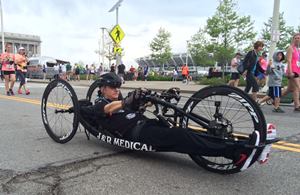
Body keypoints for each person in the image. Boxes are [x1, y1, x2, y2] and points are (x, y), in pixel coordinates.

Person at [79, 72, 261, 171]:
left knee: (191, 133)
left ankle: (244, 145)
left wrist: (154, 97)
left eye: (118, 87)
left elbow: (138, 105)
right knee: (182, 137)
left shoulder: (120, 100)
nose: (117, 90)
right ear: (102, 89)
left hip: (148, 125)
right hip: (138, 134)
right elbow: (109, 109)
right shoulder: (100, 103)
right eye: (112, 87)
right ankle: (237, 154)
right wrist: (126, 101)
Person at [281, 33, 300, 112]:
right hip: (292, 70)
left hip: (297, 70)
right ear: (293, 39)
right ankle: (297, 105)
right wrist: (290, 72)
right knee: (298, 87)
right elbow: (288, 60)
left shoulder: (297, 49)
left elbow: (297, 61)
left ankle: (275, 99)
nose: (297, 39)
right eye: (296, 38)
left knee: (290, 89)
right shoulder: (290, 48)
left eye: (299, 38)